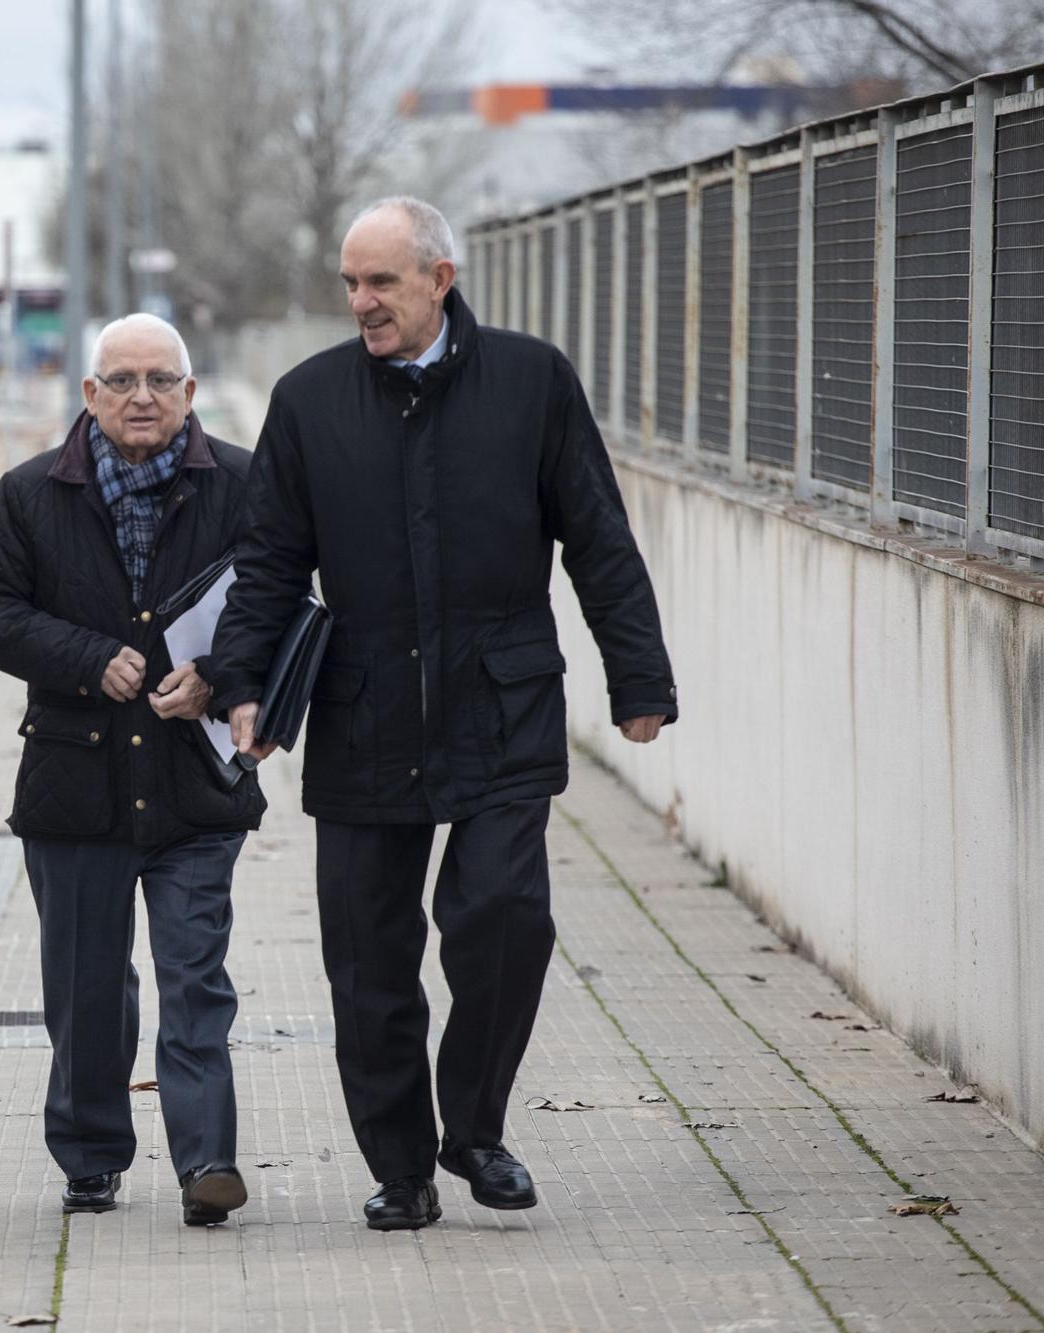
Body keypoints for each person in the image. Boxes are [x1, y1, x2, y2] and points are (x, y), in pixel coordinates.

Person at [210, 197, 677, 1231]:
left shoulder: (532, 381)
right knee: (367, 957)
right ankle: (401, 1166)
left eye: (381, 281)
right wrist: (241, 683)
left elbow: (596, 536)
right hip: (362, 711)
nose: (361, 301)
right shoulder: (309, 399)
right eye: (350, 283)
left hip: (499, 702)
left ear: (440, 279)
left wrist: (637, 677)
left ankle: (473, 1130)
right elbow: (269, 561)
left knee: (503, 919)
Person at [0, 313, 264, 1226]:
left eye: (161, 380)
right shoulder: (30, 492)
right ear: (89, 394)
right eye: (121, 380)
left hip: (196, 785)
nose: (142, 396)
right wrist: (87, 658)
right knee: (87, 986)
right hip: (74, 786)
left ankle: (207, 1159)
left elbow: (284, 606)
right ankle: (91, 1156)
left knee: (194, 978)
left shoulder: (244, 484)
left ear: (190, 393)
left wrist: (218, 677)